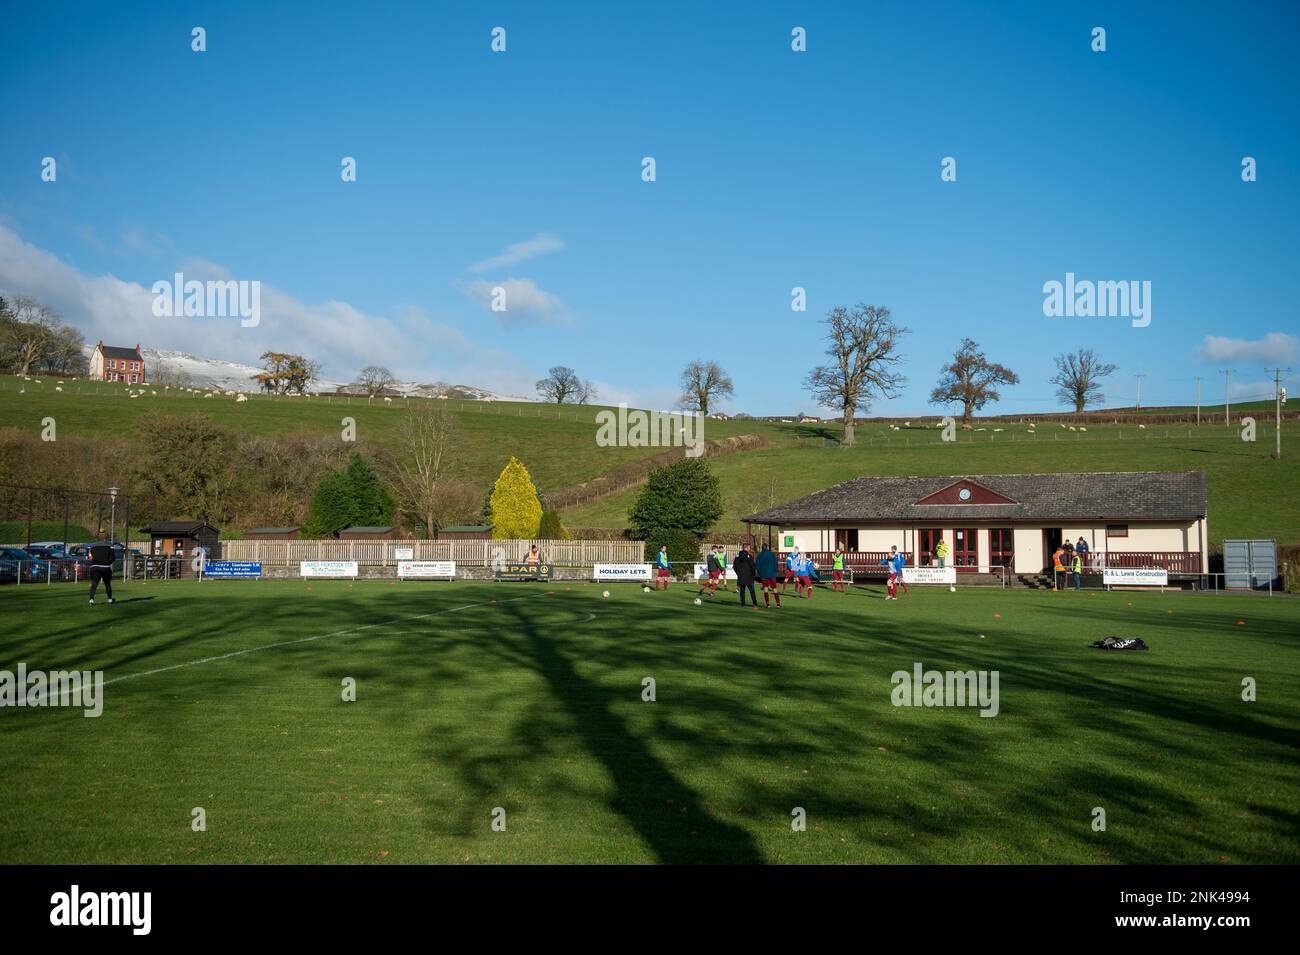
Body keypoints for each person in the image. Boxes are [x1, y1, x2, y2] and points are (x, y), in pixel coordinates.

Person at [87, 541, 115, 605]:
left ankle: (91, 600)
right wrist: (107, 563)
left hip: (95, 567)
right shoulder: (110, 546)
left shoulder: (93, 546)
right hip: (105, 567)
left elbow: (90, 557)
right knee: (107, 584)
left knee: (94, 584)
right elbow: (112, 558)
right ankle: (110, 600)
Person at [756, 542, 781, 608]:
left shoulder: (759, 555)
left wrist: (759, 573)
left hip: (764, 574)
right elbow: (776, 563)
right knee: (774, 588)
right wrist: (775, 570)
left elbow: (757, 565)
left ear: (762, 548)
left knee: (765, 589)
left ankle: (768, 604)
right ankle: (778, 604)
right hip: (772, 574)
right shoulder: (772, 554)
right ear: (767, 547)